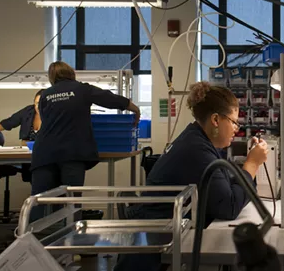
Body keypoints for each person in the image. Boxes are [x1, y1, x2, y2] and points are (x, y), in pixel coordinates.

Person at [114, 81, 268, 271]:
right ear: (215, 120)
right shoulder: (197, 150)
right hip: (151, 246)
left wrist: (247, 165)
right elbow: (228, 206)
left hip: (162, 231)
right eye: (234, 122)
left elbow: (224, 187)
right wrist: (252, 163)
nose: (237, 128)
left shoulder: (199, 140)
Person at [30, 61, 140, 221]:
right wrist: (135, 109)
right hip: (71, 153)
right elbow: (109, 99)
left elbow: (47, 121)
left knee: (38, 202)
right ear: (71, 74)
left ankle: (30, 242)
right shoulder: (82, 89)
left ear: (52, 77)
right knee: (71, 202)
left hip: (44, 154)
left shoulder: (45, 95)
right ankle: (69, 240)